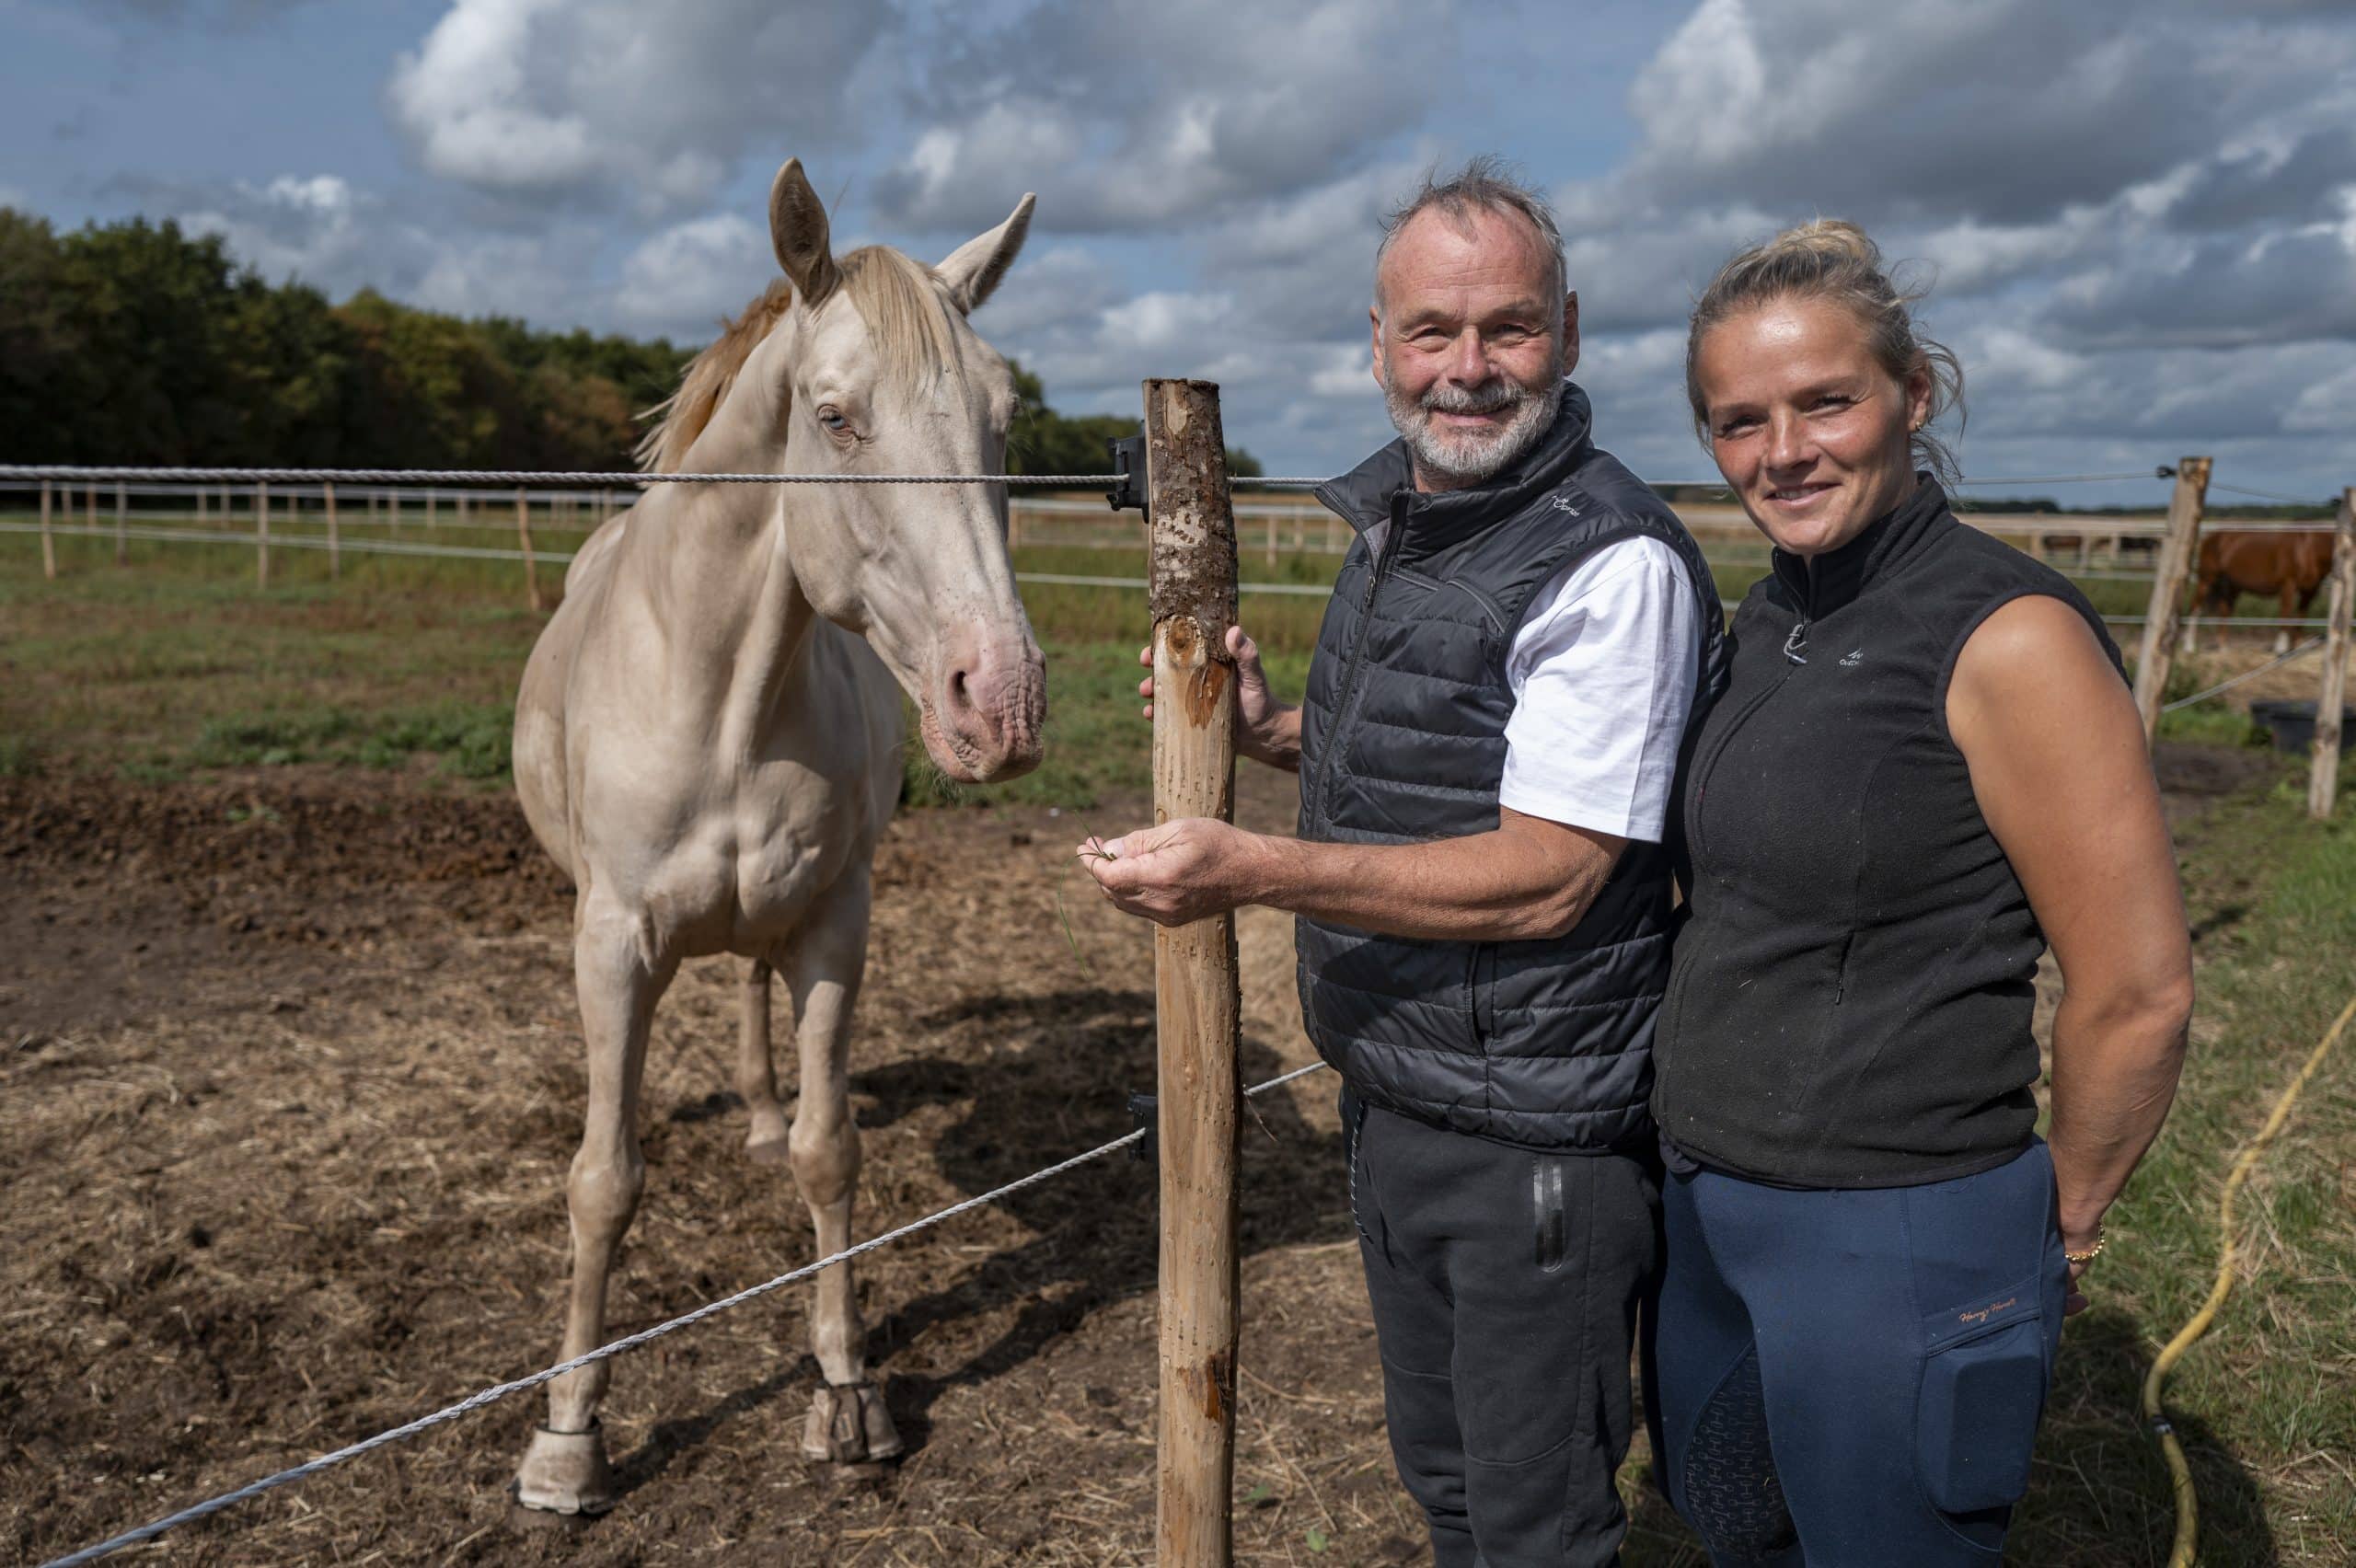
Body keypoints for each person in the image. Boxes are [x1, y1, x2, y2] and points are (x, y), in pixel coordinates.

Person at [1079, 158, 1727, 1567]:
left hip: (1531, 1141)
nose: (1470, 368)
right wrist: (1271, 732)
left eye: (1509, 327)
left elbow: (1553, 868)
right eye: (1432, 330)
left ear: (1570, 325)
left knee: (1535, 1527)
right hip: (1403, 1094)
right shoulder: (1405, 525)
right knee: (1448, 1491)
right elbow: (1451, 749)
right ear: (1375, 342)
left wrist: (1252, 865)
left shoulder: (1610, 563)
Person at [1649, 219, 2194, 1565]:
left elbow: (2136, 991)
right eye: (1739, 421)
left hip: (1895, 1234)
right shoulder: (1766, 622)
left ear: (1913, 394)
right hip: (1710, 1215)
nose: (1783, 451)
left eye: (1824, 401)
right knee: (1735, 1534)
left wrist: (2053, 1216)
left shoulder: (2009, 638)